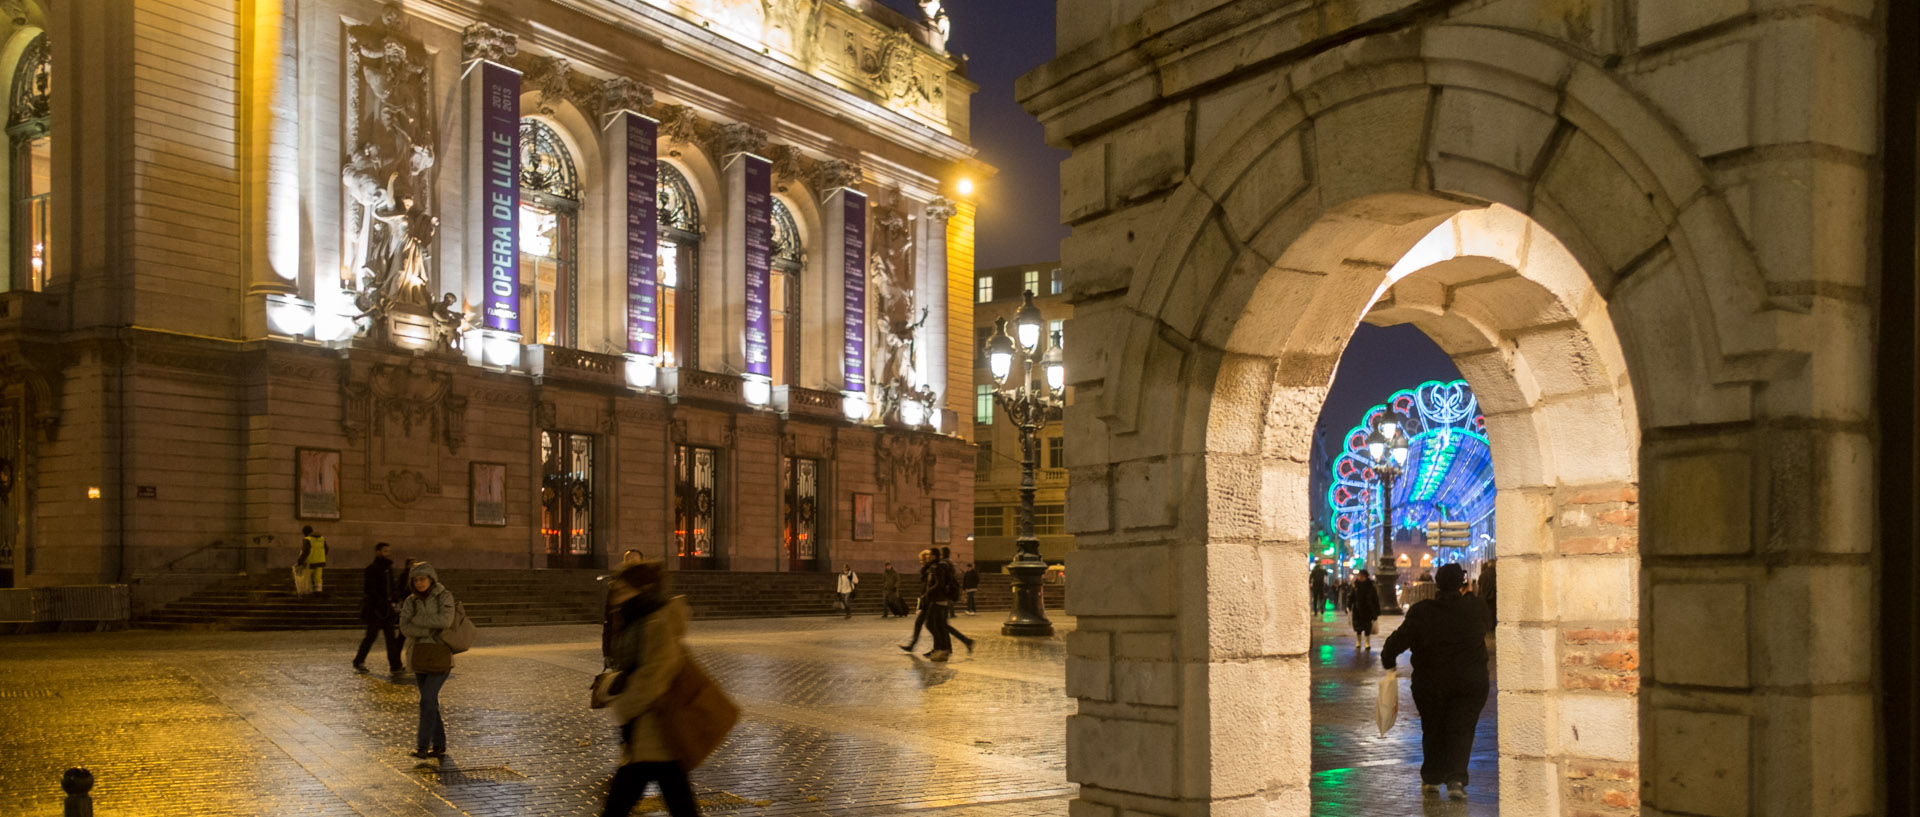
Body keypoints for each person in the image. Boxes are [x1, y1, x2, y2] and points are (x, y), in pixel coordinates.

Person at [1381, 563, 1490, 801]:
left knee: (1433, 727)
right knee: (1462, 728)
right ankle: (1456, 779)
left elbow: (1398, 640)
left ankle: (1431, 777)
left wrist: (1388, 660)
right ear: (1462, 583)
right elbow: (1487, 622)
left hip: (1431, 682)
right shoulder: (1475, 608)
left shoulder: (1422, 611)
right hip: (1470, 682)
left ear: (1436, 584)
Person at [601, 560, 700, 817]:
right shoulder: (635, 618)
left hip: (655, 725)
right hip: (647, 732)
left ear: (643, 589)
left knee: (620, 803)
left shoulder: (656, 621)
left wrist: (624, 706)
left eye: (623, 589)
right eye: (616, 588)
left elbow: (655, 674)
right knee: (679, 800)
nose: (617, 595)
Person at [399, 562, 456, 759]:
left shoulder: (444, 596)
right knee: (429, 702)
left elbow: (445, 621)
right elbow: (405, 627)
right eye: (416, 580)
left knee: (427, 700)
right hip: (419, 655)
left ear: (431, 579)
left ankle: (422, 746)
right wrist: (431, 629)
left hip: (440, 655)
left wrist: (419, 622)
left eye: (422, 579)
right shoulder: (410, 601)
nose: (419, 583)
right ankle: (439, 744)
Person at [354, 542, 404, 674]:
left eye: (389, 551)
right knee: (370, 637)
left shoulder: (388, 568)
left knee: (391, 638)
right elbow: (370, 590)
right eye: (385, 551)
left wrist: (394, 600)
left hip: (388, 610)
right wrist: (381, 603)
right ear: (377, 552)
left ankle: (395, 665)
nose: (388, 553)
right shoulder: (372, 569)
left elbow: (392, 587)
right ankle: (358, 661)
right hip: (375, 610)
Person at [603, 549, 645, 665]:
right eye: (628, 562)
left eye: (635, 562)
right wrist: (607, 652)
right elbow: (609, 622)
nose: (631, 565)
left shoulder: (649, 587)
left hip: (644, 647)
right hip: (622, 648)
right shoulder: (617, 588)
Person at [1348, 569, 1382, 653]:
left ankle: (1367, 643)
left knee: (1367, 627)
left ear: (1366, 577)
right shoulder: (1355, 586)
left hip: (1368, 609)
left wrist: (1377, 611)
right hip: (1357, 609)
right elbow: (1351, 597)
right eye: (1359, 576)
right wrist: (1348, 605)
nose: (1360, 577)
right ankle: (1358, 642)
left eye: (1362, 576)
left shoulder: (1371, 586)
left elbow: (1375, 599)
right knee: (1358, 627)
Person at [297, 525, 329, 596]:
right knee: (318, 578)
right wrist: (321, 556)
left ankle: (307, 591)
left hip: (310, 562)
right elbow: (326, 549)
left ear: (305, 533)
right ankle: (318, 591)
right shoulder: (322, 538)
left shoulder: (307, 539)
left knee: (307, 577)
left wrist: (300, 561)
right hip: (320, 562)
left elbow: (305, 551)